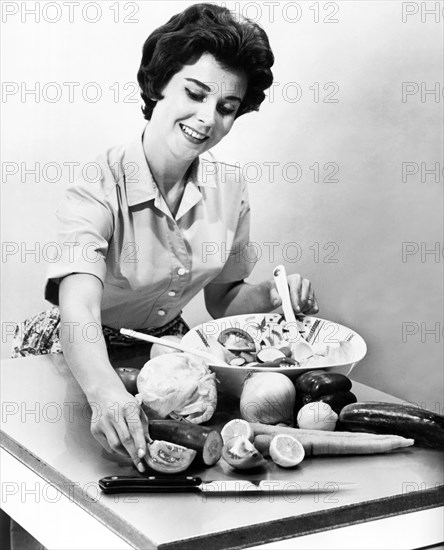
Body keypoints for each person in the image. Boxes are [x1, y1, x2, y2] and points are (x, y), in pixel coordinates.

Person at [13, 3, 319, 476]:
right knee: (67, 478)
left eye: (226, 108)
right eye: (194, 94)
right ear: (158, 85)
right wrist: (106, 393)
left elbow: (224, 300)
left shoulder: (231, 188)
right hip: (76, 354)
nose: (206, 118)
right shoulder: (100, 181)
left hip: (165, 356)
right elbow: (79, 309)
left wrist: (271, 296)